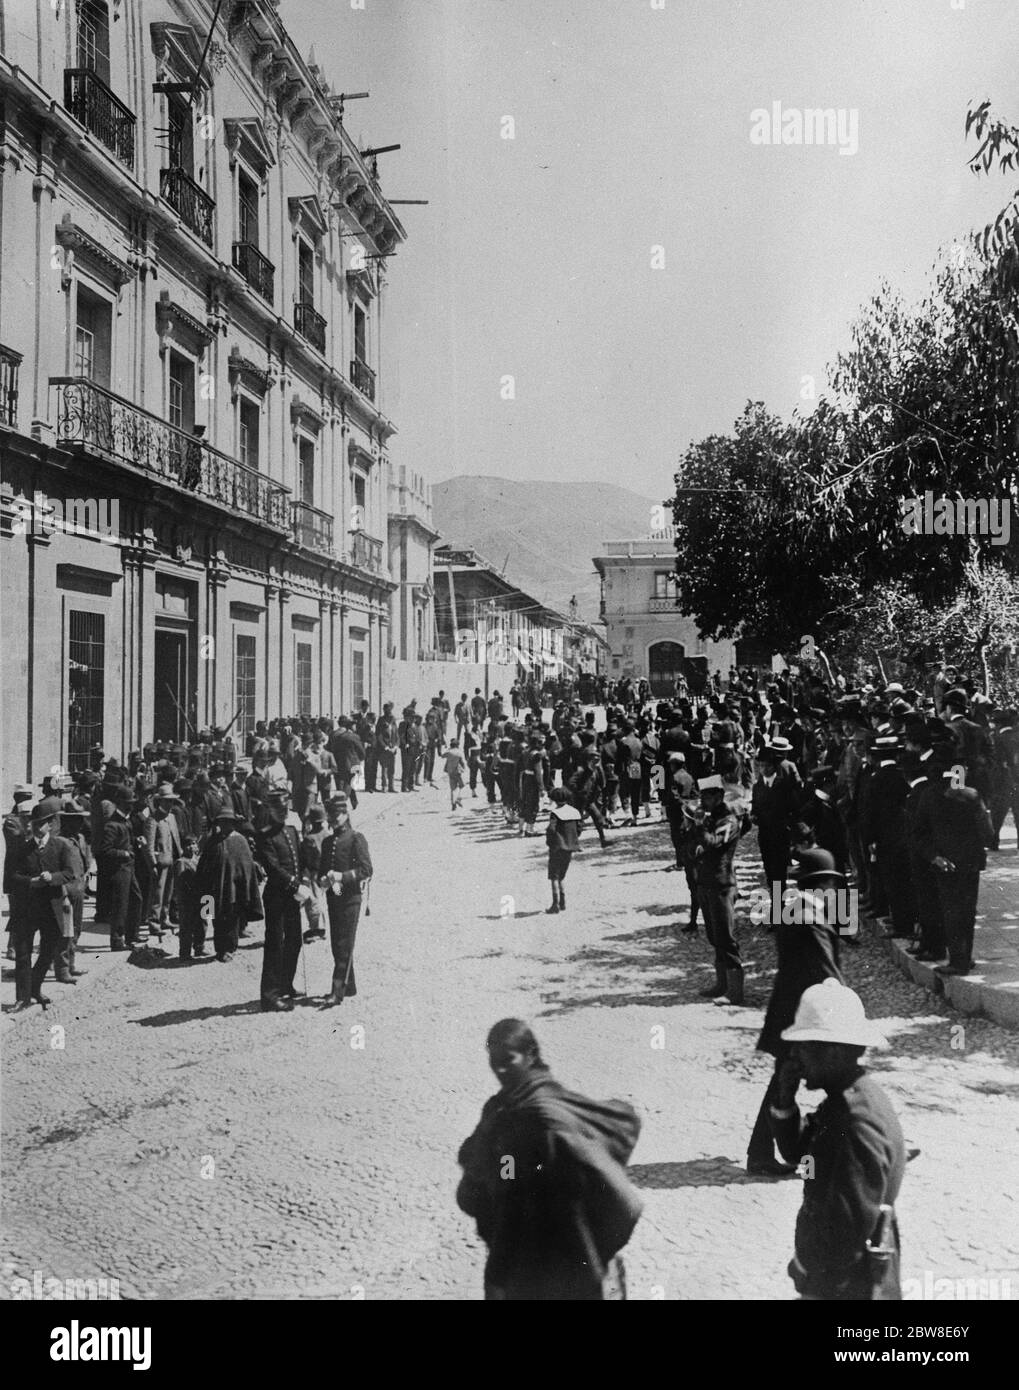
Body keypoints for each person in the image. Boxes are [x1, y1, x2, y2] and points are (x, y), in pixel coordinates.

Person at [456, 1019, 643, 1300]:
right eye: (494, 1061)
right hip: (576, 1258)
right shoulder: (516, 1105)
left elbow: (508, 1197)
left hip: (543, 1260)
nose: (500, 1069)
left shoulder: (531, 1118)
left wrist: (497, 1274)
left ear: (531, 1054)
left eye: (508, 1059)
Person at [769, 980, 906, 1300]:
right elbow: (799, 1156)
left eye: (804, 1045)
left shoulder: (854, 1119)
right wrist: (785, 1099)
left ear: (832, 1050)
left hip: (848, 1283)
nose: (795, 1055)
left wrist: (805, 1267)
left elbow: (848, 1227)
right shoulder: (846, 1100)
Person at [746, 849, 845, 1177]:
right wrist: (844, 1006)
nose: (834, 889)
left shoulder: (796, 907)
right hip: (803, 1015)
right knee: (832, 1078)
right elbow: (825, 968)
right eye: (831, 883)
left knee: (782, 1080)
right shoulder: (811, 915)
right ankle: (837, 1149)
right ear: (822, 882)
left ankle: (760, 1153)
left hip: (790, 1009)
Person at [8, 800, 83, 1008]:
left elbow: (70, 873)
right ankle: (22, 998)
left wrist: (53, 877)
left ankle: (35, 987)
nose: (37, 827)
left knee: (48, 951)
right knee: (23, 954)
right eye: (34, 823)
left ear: (50, 824)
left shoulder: (61, 846)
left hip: (51, 908)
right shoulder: (22, 849)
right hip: (27, 908)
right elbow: (12, 876)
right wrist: (30, 882)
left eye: (41, 823)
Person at [315, 792, 372, 1006]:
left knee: (344, 944)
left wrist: (342, 876)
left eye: (337, 815)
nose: (333, 819)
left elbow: (366, 869)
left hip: (351, 897)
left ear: (346, 814)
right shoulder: (328, 842)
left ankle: (336, 991)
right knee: (337, 944)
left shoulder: (356, 838)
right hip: (335, 895)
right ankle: (350, 986)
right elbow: (322, 870)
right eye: (331, 816)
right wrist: (323, 880)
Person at [254, 788, 308, 1011]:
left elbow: (300, 860)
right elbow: (273, 868)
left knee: (294, 940)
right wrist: (296, 885)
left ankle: (286, 984)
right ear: (270, 810)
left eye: (285, 809)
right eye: (279, 809)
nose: (283, 813)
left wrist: (303, 880)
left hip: (293, 896)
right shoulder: (264, 836)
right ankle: (269, 995)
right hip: (277, 896)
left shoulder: (292, 831)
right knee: (275, 943)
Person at [195, 809, 262, 963]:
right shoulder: (213, 841)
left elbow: (246, 866)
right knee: (217, 918)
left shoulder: (240, 841)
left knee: (232, 917)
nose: (225, 826)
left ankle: (229, 948)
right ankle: (220, 949)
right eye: (222, 822)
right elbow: (204, 864)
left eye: (228, 822)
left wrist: (243, 885)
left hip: (235, 888)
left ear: (233, 824)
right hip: (215, 888)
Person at [545, 787, 582, 914]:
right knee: (562, 876)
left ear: (555, 799)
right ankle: (563, 903)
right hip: (570, 848)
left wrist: (550, 842)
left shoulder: (555, 813)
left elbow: (551, 829)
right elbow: (579, 829)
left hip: (557, 848)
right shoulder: (575, 812)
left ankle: (555, 904)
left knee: (554, 876)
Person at [443, 738, 467, 811]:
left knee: (453, 788)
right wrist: (464, 768)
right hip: (457, 771)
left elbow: (442, 755)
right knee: (462, 785)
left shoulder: (449, 752)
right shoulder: (459, 752)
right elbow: (462, 762)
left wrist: (448, 749)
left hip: (450, 771)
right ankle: (458, 799)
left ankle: (453, 803)